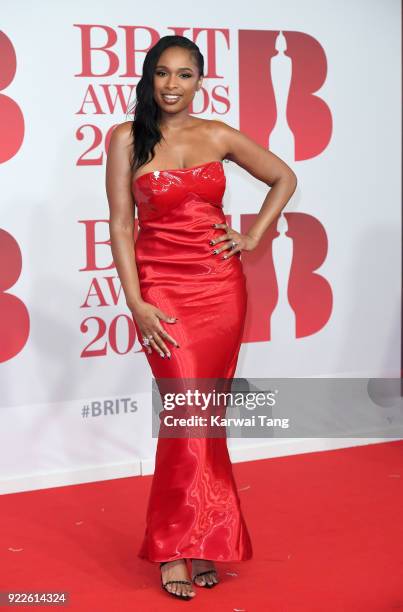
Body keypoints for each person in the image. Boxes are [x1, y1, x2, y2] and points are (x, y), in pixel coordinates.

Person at [105, 34, 297, 601]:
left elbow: (283, 177)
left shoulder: (216, 134)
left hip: (220, 290)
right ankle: (174, 546)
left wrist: (252, 234)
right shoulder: (126, 139)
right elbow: (121, 224)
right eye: (162, 73)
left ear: (199, 80)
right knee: (185, 412)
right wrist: (136, 301)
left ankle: (206, 536)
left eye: (184, 75)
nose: (171, 85)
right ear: (148, 77)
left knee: (203, 417)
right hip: (161, 291)